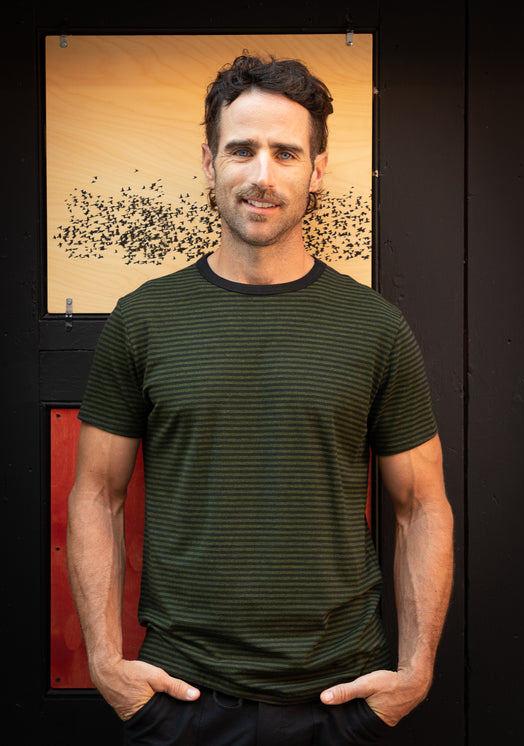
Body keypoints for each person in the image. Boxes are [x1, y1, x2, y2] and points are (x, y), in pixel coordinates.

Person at [67, 54, 454, 746]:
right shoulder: (143, 319)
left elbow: (421, 506)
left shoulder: (374, 327)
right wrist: (105, 664)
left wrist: (415, 672)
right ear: (209, 162)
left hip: (340, 698)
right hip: (180, 698)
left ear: (317, 169)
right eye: (242, 150)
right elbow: (96, 494)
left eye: (285, 152)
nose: (262, 176)